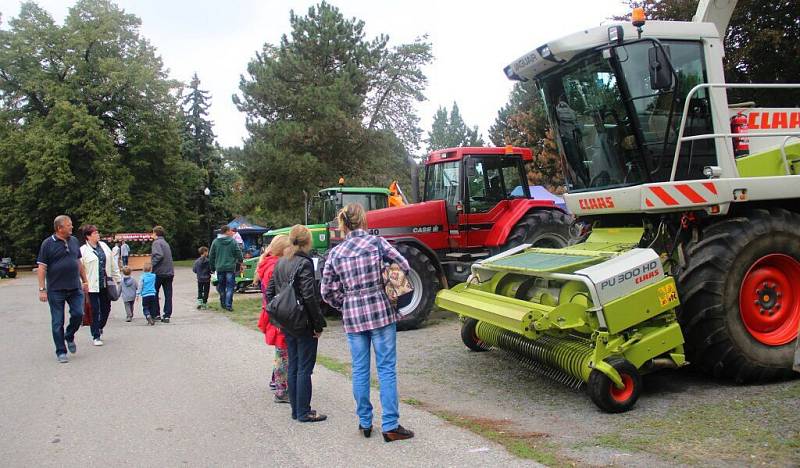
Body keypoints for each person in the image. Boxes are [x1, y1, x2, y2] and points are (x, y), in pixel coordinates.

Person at [321, 203, 414, 442]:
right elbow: (404, 264)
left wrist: (346, 302)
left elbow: (326, 291)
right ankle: (391, 425)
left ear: (343, 223)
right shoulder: (376, 243)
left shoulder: (336, 253)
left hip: (353, 315)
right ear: (363, 220)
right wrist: (386, 276)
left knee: (360, 369)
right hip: (381, 310)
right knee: (386, 369)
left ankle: (365, 422)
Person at [266, 225, 327, 423]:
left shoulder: (281, 261)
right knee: (304, 368)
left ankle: (295, 409)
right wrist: (318, 324)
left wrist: (279, 313)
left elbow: (270, 292)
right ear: (308, 241)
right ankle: (303, 411)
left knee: (293, 364)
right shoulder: (305, 263)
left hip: (287, 320)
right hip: (303, 320)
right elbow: (310, 295)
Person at [37, 215, 90, 363]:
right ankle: (61, 351)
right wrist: (42, 289)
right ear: (59, 228)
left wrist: (85, 281)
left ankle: (69, 335)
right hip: (56, 290)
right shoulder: (47, 244)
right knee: (57, 321)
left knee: (79, 314)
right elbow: (41, 268)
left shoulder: (73, 241)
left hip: (75, 287)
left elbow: (79, 262)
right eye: (69, 225)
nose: (71, 227)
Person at [256, 234, 291, 403]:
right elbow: (277, 295)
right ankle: (281, 389)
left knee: (281, 349)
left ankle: (276, 380)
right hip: (277, 315)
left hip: (270, 312)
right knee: (283, 352)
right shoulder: (274, 267)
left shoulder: (267, 263)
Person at [79, 224, 122, 347]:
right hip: (92, 285)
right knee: (94, 310)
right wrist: (82, 283)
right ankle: (96, 335)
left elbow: (112, 263)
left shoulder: (103, 246)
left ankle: (100, 326)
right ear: (88, 236)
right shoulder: (83, 250)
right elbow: (79, 268)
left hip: (105, 284)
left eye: (98, 232)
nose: (98, 235)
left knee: (106, 309)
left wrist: (118, 278)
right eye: (95, 233)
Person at [209, 225, 243, 311]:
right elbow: (238, 252)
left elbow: (211, 255)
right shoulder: (232, 241)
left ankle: (223, 303)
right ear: (226, 231)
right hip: (230, 268)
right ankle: (228, 305)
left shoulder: (215, 242)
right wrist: (241, 260)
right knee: (230, 287)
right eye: (230, 231)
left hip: (220, 268)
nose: (232, 232)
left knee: (221, 287)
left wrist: (212, 267)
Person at [150, 226, 175, 323]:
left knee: (154, 292)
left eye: (152, 233)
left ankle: (156, 314)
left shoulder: (156, 243)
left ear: (155, 233)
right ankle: (167, 315)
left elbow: (159, 255)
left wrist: (152, 264)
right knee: (168, 294)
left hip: (159, 272)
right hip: (169, 272)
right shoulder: (165, 243)